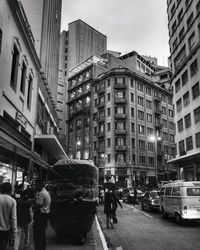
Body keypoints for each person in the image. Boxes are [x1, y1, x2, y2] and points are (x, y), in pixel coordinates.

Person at [33, 179, 51, 250]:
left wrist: (32, 205)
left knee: (38, 235)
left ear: (40, 185)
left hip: (40, 216)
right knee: (42, 234)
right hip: (44, 216)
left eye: (36, 185)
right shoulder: (45, 192)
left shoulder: (41, 193)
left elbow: (37, 206)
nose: (35, 186)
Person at [0, 182, 17, 250]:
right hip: (5, 229)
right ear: (10, 190)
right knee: (3, 247)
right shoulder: (12, 201)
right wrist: (14, 230)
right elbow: (13, 218)